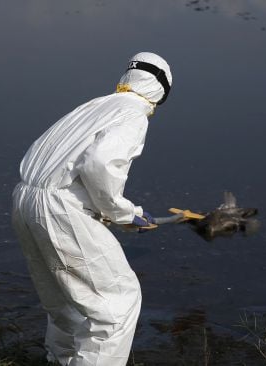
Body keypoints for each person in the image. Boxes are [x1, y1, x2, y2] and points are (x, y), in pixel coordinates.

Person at [11, 52, 172, 366]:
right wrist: (123, 213)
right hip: (59, 209)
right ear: (161, 92)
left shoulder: (96, 105)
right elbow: (100, 164)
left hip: (25, 198)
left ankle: (61, 360)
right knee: (116, 305)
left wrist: (115, 212)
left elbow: (62, 163)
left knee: (64, 300)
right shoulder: (133, 113)